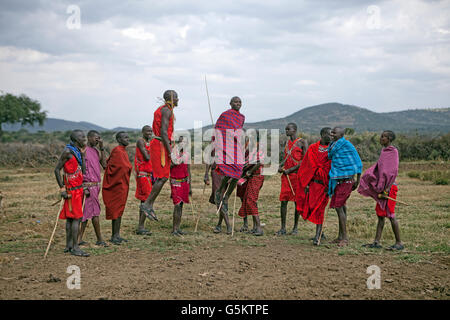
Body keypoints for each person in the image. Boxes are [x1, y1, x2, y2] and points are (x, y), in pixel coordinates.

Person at [358, 130, 404, 250]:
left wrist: (386, 189)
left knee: (391, 215)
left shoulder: (393, 152)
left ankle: (399, 243)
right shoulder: (384, 151)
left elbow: (393, 171)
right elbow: (380, 169)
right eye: (381, 136)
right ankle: (376, 242)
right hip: (383, 188)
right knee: (380, 215)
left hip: (389, 188)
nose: (381, 138)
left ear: (389, 139)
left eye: (384, 137)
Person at [140, 90, 178, 221]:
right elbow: (163, 131)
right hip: (160, 145)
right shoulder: (167, 110)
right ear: (172, 99)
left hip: (160, 143)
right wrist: (170, 153)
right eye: (177, 98)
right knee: (162, 177)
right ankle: (147, 204)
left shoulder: (162, 109)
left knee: (162, 177)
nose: (179, 100)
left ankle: (148, 204)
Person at [213, 96, 245, 235]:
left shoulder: (241, 117)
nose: (238, 104)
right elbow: (218, 129)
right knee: (227, 174)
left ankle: (225, 196)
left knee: (237, 172)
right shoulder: (224, 115)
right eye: (235, 102)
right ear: (230, 103)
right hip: (225, 147)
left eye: (239, 102)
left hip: (235, 146)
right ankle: (221, 192)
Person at [54, 129, 89, 257]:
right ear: (75, 139)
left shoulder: (78, 152)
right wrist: (62, 189)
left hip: (78, 189)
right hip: (71, 191)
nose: (84, 138)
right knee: (76, 219)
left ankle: (68, 246)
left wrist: (84, 155)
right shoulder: (67, 151)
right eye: (81, 136)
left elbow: (83, 171)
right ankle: (75, 247)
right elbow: (56, 170)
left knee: (70, 219)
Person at [296, 127, 332, 245]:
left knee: (320, 209)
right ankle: (320, 231)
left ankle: (317, 236)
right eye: (328, 134)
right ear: (322, 135)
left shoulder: (333, 150)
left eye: (332, 134)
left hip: (325, 185)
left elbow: (332, 167)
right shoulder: (312, 148)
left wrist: (330, 185)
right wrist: (306, 184)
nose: (331, 136)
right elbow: (307, 167)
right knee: (312, 208)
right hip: (313, 184)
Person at [327, 127, 363, 247]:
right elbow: (331, 158)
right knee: (341, 207)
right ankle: (340, 236)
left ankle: (345, 238)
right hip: (337, 180)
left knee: (339, 207)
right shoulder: (333, 145)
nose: (332, 134)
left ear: (341, 134)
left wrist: (358, 180)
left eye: (334, 133)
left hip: (347, 181)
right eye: (331, 132)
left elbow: (357, 162)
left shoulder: (347, 145)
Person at [77, 130, 108, 247]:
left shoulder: (96, 151)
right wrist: (82, 185)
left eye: (99, 138)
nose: (98, 140)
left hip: (96, 185)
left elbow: (104, 165)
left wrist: (102, 148)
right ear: (89, 137)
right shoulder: (82, 150)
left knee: (87, 212)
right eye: (96, 138)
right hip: (87, 186)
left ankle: (79, 238)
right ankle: (99, 239)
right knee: (93, 213)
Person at [276, 123, 308, 236]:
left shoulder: (302, 142)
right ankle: (283, 228)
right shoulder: (286, 143)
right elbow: (286, 158)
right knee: (283, 201)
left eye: (288, 129)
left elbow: (304, 161)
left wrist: (290, 170)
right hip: (286, 177)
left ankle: (295, 228)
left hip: (297, 176)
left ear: (294, 130)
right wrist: (280, 166)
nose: (286, 131)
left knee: (296, 202)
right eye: (286, 129)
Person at [102, 132, 132, 245]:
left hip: (122, 185)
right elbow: (113, 167)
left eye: (128, 137)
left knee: (120, 209)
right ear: (119, 139)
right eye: (125, 137)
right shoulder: (117, 151)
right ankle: (114, 236)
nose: (127, 139)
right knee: (115, 209)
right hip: (116, 185)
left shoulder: (123, 150)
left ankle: (117, 235)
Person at [237, 132, 265, 236]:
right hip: (252, 176)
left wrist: (249, 171)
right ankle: (254, 227)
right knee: (250, 199)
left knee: (250, 200)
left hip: (256, 176)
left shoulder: (259, 147)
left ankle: (258, 228)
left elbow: (259, 162)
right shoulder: (251, 148)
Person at [169, 136, 192, 236]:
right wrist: (177, 161)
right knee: (177, 205)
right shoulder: (173, 153)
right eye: (182, 142)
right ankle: (174, 230)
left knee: (181, 205)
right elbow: (168, 166)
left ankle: (178, 228)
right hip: (175, 181)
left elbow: (188, 170)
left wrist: (190, 186)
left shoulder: (186, 154)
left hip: (184, 181)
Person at [135, 125, 154, 235]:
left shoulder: (148, 143)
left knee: (145, 201)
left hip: (148, 175)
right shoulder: (140, 141)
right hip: (142, 175)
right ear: (142, 132)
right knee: (146, 201)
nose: (149, 132)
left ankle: (141, 226)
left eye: (151, 131)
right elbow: (147, 157)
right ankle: (141, 227)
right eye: (147, 131)